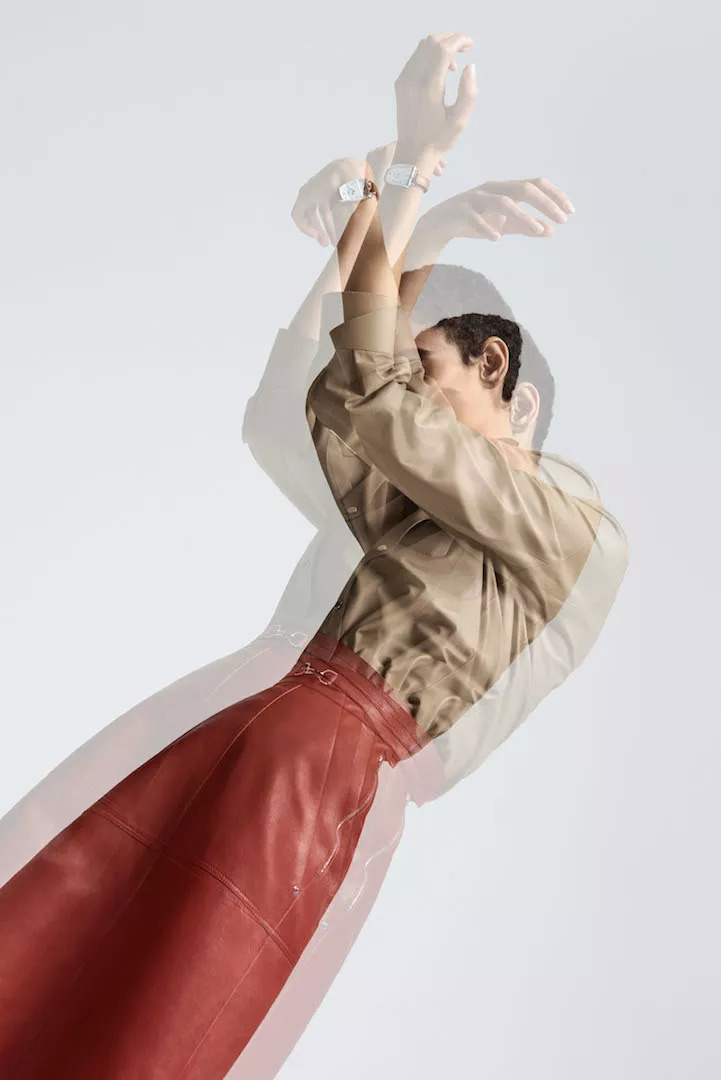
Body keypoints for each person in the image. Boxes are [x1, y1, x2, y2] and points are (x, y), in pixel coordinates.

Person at [0, 32, 628, 1080]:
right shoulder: (415, 515)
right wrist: (396, 211)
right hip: (256, 701)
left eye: (435, 371)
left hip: (321, 752)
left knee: (149, 1017)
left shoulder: (549, 524)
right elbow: (299, 406)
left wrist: (403, 185)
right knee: (46, 940)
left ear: (504, 381)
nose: (415, 398)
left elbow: (365, 388)